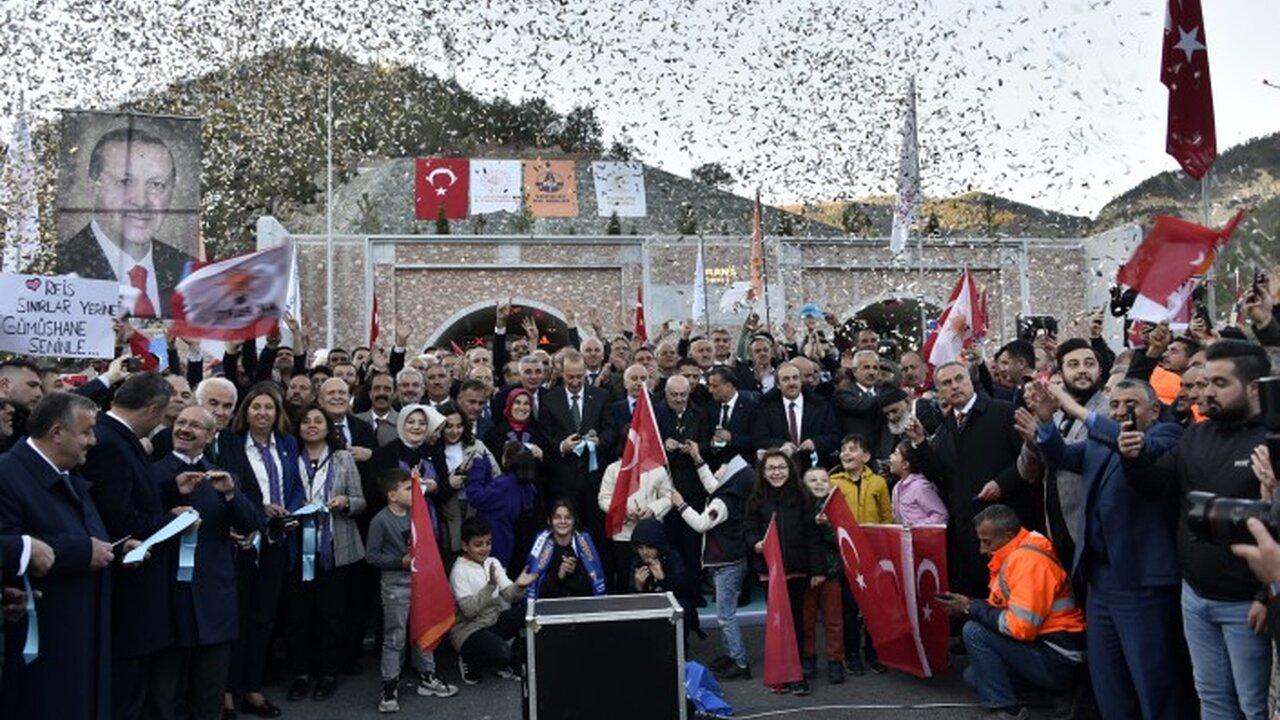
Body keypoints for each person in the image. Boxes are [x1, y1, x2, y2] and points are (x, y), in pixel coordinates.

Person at [1019, 377, 1188, 719]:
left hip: (1142, 580)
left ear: (1155, 410)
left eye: (1130, 405)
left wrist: (1076, 409)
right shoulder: (1099, 442)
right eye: (1114, 405)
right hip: (1100, 578)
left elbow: (1137, 445)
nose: (1120, 412)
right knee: (1109, 679)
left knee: (1153, 680)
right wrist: (1047, 423)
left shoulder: (1169, 435)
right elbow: (1062, 456)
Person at [1123, 340, 1274, 719]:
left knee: (1254, 708)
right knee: (1212, 699)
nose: (1205, 393)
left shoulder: (1270, 444)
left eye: (1220, 384)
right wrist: (1134, 459)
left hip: (1248, 604)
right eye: (1205, 383)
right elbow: (1156, 487)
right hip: (1196, 596)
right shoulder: (1196, 435)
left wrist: (1267, 594)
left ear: (1254, 388)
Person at [0, 392, 115, 720]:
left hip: (80, 632)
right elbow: (11, 544)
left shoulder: (69, 473)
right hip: (44, 640)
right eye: (86, 432)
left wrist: (115, 549)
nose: (93, 441)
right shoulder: (8, 475)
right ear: (56, 433)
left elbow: (86, 533)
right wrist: (81, 552)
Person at [149, 406, 260, 720]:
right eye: (181, 422)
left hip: (214, 595)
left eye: (195, 426)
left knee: (210, 691)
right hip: (168, 595)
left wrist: (231, 495)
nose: (184, 429)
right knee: (166, 690)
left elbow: (251, 524)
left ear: (211, 436)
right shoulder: (152, 474)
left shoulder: (223, 477)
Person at [935, 504, 1087, 720]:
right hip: (1047, 648)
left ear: (1007, 536)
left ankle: (1007, 711)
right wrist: (970, 605)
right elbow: (1003, 611)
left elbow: (1020, 628)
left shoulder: (1028, 562)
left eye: (987, 542)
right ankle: (1056, 693)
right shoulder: (1016, 554)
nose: (982, 550)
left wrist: (970, 607)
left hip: (1059, 656)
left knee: (973, 632)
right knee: (973, 677)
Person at [81, 372, 174, 720]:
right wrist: (170, 522)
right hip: (128, 584)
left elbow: (135, 492)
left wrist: (170, 489)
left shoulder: (117, 437)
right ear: (153, 410)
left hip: (135, 585)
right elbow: (117, 517)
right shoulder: (109, 443)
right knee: (126, 689)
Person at [907, 361, 1030, 598]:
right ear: (940, 391)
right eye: (947, 383)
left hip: (1006, 526)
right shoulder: (946, 427)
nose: (954, 386)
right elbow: (940, 475)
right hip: (967, 532)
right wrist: (919, 442)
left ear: (971, 381)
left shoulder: (1004, 412)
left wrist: (1001, 483)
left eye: (959, 379)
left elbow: (1030, 458)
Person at [225, 383, 305, 719]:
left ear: (277, 412)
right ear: (246, 412)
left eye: (268, 407)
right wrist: (259, 508)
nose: (262, 413)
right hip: (243, 541)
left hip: (276, 541)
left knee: (263, 619)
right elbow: (232, 488)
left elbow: (296, 485)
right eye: (256, 407)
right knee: (237, 618)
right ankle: (228, 692)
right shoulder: (231, 443)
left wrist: (290, 511)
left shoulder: (287, 443)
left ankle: (252, 688)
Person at [55, 127, 196, 317]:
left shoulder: (190, 273)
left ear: (171, 193)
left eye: (156, 185)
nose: (141, 201)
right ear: (92, 189)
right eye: (125, 182)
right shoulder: (58, 268)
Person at [284, 404, 367, 703]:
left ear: (328, 428)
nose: (311, 425)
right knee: (299, 615)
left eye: (318, 421)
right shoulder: (289, 457)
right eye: (305, 421)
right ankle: (301, 674)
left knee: (332, 614)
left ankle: (328, 673)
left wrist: (345, 502)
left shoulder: (343, 457)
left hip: (336, 547)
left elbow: (360, 501)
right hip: (297, 547)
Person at [366, 469, 459, 713]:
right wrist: (400, 561)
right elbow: (371, 556)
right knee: (395, 636)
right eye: (408, 489)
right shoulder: (380, 521)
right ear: (392, 495)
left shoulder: (417, 515)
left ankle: (428, 675)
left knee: (425, 627)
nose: (414, 492)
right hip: (395, 585)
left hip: (420, 582)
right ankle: (389, 687)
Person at [1016, 338, 1109, 574]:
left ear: (1100, 371)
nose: (1082, 370)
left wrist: (1044, 435)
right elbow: (1027, 473)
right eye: (1073, 364)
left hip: (1094, 529)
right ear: (1061, 372)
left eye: (1089, 364)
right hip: (1058, 525)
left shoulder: (1107, 411)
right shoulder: (1053, 413)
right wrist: (1032, 443)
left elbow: (1077, 455)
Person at [744, 450, 824, 696]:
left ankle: (797, 676)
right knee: (777, 624)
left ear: (790, 470)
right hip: (770, 571)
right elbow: (748, 529)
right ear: (762, 472)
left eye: (781, 467)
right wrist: (755, 543)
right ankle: (780, 674)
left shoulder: (802, 496)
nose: (776, 472)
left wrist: (817, 569)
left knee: (796, 623)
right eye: (771, 468)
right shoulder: (755, 498)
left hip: (797, 570)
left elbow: (813, 536)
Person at [828, 433, 892, 675]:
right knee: (849, 609)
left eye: (852, 449)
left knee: (875, 608)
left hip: (874, 555)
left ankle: (874, 652)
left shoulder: (878, 482)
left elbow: (886, 517)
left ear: (866, 456)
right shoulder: (833, 482)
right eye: (843, 449)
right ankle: (852, 653)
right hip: (846, 556)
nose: (846, 453)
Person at [448, 517, 538, 685]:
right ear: (465, 546)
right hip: (469, 631)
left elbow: (509, 596)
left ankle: (510, 663)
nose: (485, 548)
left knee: (531, 613)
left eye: (488, 543)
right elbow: (468, 611)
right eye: (478, 544)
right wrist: (490, 586)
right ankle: (468, 660)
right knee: (501, 652)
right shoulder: (459, 571)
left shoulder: (493, 562)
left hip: (493, 622)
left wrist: (519, 586)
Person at [597, 425, 675, 591]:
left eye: (646, 442)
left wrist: (652, 509)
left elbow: (669, 497)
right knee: (626, 580)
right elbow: (603, 498)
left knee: (653, 579)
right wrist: (623, 510)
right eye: (639, 442)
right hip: (623, 535)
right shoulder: (613, 469)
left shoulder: (658, 469)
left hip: (651, 538)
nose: (643, 446)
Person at [799, 466, 846, 685]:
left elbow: (842, 541)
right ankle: (808, 658)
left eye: (824, 480)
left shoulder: (837, 508)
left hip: (832, 573)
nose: (819, 483)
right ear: (803, 486)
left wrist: (827, 526)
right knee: (806, 620)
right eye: (813, 480)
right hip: (808, 574)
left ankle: (835, 661)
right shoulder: (799, 509)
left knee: (834, 621)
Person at [465, 442, 538, 571]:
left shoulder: (505, 484)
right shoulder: (527, 485)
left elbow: (476, 497)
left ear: (507, 459)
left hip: (495, 543)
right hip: (509, 543)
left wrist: (478, 465)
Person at [755, 361, 841, 468]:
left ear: (800, 381)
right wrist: (781, 444)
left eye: (795, 378)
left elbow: (834, 436)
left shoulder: (821, 405)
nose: (792, 383)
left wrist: (815, 443)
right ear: (778, 385)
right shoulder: (766, 408)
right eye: (786, 379)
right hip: (780, 468)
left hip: (814, 468)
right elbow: (759, 439)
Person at [626, 517, 699, 637]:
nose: (644, 552)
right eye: (640, 547)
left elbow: (688, 590)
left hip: (673, 611)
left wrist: (664, 578)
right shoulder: (637, 562)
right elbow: (631, 600)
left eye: (649, 547)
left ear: (658, 546)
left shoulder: (673, 558)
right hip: (649, 612)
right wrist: (638, 587)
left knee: (683, 606)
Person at [523, 499, 607, 600]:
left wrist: (575, 572)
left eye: (568, 517)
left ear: (574, 521)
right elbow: (539, 592)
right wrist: (559, 576)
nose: (562, 521)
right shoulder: (540, 545)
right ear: (549, 521)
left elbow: (592, 590)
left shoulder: (585, 543)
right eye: (557, 517)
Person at [887, 440, 948, 527]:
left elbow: (941, 515)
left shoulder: (920, 487)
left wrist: (918, 528)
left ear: (905, 464)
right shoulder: (897, 488)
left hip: (921, 535)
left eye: (895, 454)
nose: (890, 456)